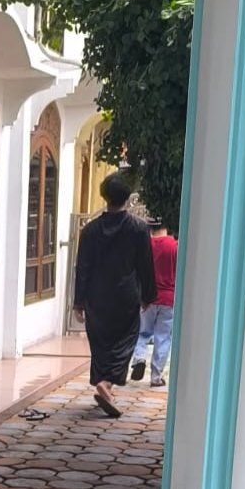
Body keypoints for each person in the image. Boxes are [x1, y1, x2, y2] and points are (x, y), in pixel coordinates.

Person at [73, 171, 156, 418]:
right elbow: (145, 264)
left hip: (97, 297)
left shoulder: (90, 230)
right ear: (127, 197)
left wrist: (79, 302)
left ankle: (104, 385)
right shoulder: (138, 229)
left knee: (101, 343)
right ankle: (107, 383)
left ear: (104, 195)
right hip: (126, 296)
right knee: (125, 341)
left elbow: (83, 267)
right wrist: (148, 295)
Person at [130, 218, 178, 388]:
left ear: (150, 227)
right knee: (163, 338)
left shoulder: (145, 246)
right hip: (169, 298)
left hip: (147, 299)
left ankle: (139, 357)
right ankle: (156, 377)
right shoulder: (175, 246)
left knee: (142, 332)